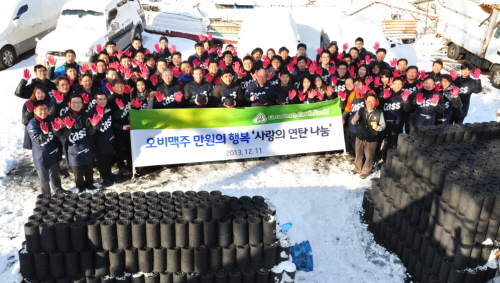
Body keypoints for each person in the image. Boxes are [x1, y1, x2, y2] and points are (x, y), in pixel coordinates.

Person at [54, 94, 102, 192]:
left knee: (89, 168)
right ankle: (80, 186)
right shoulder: (65, 117)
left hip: (86, 145)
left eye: (79, 102)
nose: (76, 104)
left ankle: (90, 184)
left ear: (82, 104)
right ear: (69, 104)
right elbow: (62, 135)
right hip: (73, 148)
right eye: (74, 102)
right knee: (77, 170)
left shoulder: (86, 115)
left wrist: (93, 126)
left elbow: (90, 132)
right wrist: (65, 128)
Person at [28, 100, 64, 194]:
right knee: (44, 178)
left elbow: (58, 134)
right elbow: (37, 140)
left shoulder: (51, 118)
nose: (43, 112)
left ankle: (58, 189)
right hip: (41, 154)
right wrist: (44, 133)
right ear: (34, 110)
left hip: (53, 150)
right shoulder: (32, 124)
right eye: (40, 109)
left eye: (45, 109)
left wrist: (59, 128)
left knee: (55, 174)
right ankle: (46, 195)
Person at [87, 91, 122, 186]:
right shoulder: (92, 112)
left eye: (104, 99)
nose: (102, 101)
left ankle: (109, 174)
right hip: (99, 140)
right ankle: (104, 177)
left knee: (109, 159)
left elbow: (113, 120)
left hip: (109, 137)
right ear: (95, 100)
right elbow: (90, 130)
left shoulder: (107, 108)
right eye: (100, 99)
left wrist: (121, 110)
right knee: (101, 160)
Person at [351, 93, 386, 179]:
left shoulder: (379, 113)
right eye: (369, 101)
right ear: (365, 101)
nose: (370, 104)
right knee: (358, 154)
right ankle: (357, 167)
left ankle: (365, 171)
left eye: (373, 102)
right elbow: (353, 122)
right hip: (360, 137)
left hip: (372, 139)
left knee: (369, 157)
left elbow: (383, 126)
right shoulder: (360, 110)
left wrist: (378, 127)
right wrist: (354, 120)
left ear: (376, 102)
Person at [376, 77, 406, 162]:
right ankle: (376, 157)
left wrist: (406, 101)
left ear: (402, 85)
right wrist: (382, 98)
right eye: (395, 84)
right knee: (378, 141)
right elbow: (376, 105)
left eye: (399, 84)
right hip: (383, 122)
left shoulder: (404, 95)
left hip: (396, 123)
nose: (397, 86)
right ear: (392, 84)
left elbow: (407, 110)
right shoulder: (385, 92)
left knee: (391, 143)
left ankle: (386, 159)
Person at [107, 78, 133, 175]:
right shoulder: (111, 99)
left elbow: (130, 109)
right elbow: (111, 119)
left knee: (129, 147)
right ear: (113, 87)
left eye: (121, 86)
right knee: (119, 149)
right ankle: (121, 166)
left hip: (128, 126)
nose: (120, 88)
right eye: (117, 86)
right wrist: (121, 127)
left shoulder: (126, 96)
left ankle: (130, 164)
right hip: (118, 129)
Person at [22, 85, 49, 150]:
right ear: (35, 94)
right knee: (36, 147)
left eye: (43, 93)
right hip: (33, 129)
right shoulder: (29, 104)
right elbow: (24, 121)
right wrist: (29, 112)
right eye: (38, 93)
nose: (40, 95)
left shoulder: (48, 102)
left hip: (46, 127)